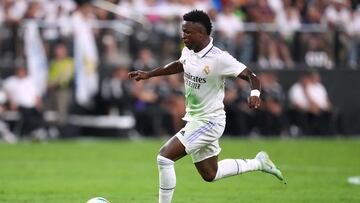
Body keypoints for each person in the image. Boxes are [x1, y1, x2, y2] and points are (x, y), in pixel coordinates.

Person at [128, 10, 285, 203]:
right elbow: (180, 64)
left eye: (187, 32)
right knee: (211, 173)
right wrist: (149, 74)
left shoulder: (220, 58)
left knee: (164, 158)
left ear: (201, 34)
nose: (183, 35)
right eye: (182, 31)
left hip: (209, 122)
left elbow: (252, 76)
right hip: (196, 120)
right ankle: (259, 163)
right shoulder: (189, 50)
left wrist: (254, 94)